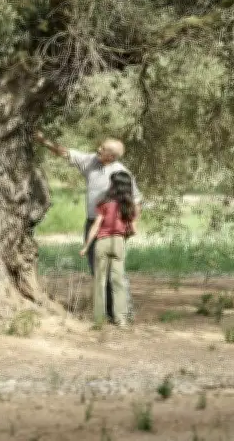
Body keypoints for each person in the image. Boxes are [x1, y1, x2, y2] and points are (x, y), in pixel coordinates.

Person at [33, 131, 142, 322]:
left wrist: (132, 225)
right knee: (96, 268)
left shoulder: (121, 172)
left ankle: (124, 312)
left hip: (114, 228)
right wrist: (43, 141)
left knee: (116, 272)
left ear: (112, 156)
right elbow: (65, 153)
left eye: (103, 149)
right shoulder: (91, 161)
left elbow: (136, 201)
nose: (98, 149)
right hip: (93, 222)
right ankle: (106, 312)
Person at [80, 171, 137, 327]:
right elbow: (133, 230)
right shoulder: (129, 206)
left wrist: (86, 246)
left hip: (102, 242)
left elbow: (96, 226)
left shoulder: (104, 203)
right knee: (118, 281)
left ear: (113, 185)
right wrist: (124, 236)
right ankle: (121, 318)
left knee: (100, 281)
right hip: (118, 243)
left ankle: (99, 318)